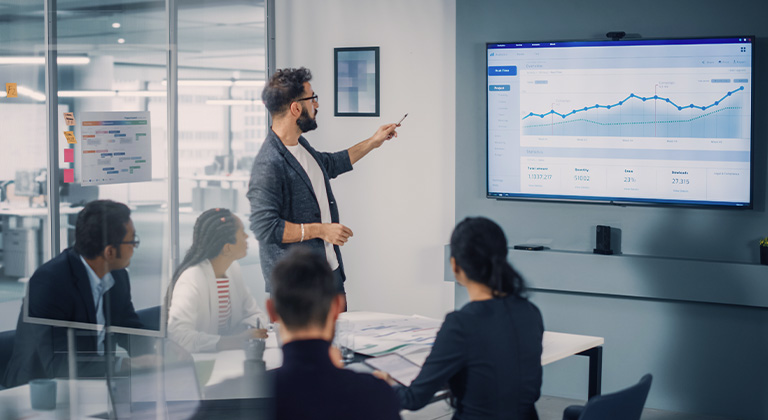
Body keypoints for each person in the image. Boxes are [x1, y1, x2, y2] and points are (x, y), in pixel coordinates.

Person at [248, 67, 400, 309]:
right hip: (298, 287)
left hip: (329, 274)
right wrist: (321, 231)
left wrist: (373, 142)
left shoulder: (300, 146)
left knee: (339, 345)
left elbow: (329, 164)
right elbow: (264, 228)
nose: (317, 105)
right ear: (296, 108)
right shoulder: (269, 163)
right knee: (313, 348)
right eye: (312, 98)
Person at [374, 217, 544, 420]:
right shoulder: (530, 312)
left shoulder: (462, 324)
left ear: (455, 265)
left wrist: (384, 383)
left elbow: (413, 399)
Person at [3, 200, 152, 388]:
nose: (134, 247)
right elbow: (58, 365)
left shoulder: (117, 275)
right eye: (132, 241)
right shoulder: (50, 283)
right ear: (110, 252)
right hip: (41, 392)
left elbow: (128, 327)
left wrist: (157, 351)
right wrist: (126, 364)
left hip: (95, 384)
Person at [266, 246, 401, 420]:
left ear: (271, 311)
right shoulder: (376, 396)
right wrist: (379, 389)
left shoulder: (241, 399)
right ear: (338, 306)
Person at [167, 208, 269, 353]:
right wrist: (235, 340)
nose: (247, 236)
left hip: (228, 358)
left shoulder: (233, 269)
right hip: (199, 365)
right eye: (242, 233)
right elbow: (179, 336)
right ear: (227, 248)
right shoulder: (192, 278)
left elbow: (255, 314)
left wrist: (247, 330)